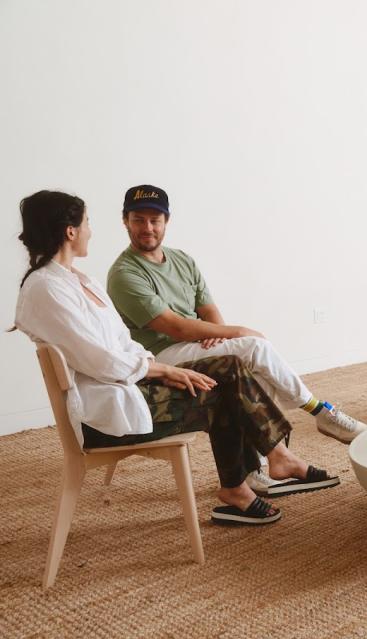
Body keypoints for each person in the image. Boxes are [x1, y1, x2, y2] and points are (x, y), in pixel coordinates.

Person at [14, 191, 338, 525]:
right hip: (106, 416)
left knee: (229, 369)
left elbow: (124, 342)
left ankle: (255, 474)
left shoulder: (82, 282)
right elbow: (101, 362)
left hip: (132, 387)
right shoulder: (46, 288)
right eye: (86, 224)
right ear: (70, 231)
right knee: (224, 383)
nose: (90, 231)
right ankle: (256, 472)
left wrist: (157, 368)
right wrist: (162, 370)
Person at [105, 185, 367, 495]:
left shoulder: (182, 260)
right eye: (139, 220)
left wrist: (218, 337)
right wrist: (236, 332)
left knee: (250, 368)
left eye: (154, 220)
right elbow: (176, 328)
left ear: (166, 221)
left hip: (192, 347)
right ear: (125, 221)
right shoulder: (124, 273)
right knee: (254, 346)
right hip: (160, 358)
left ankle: (255, 468)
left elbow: (209, 312)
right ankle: (320, 412)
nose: (147, 228)